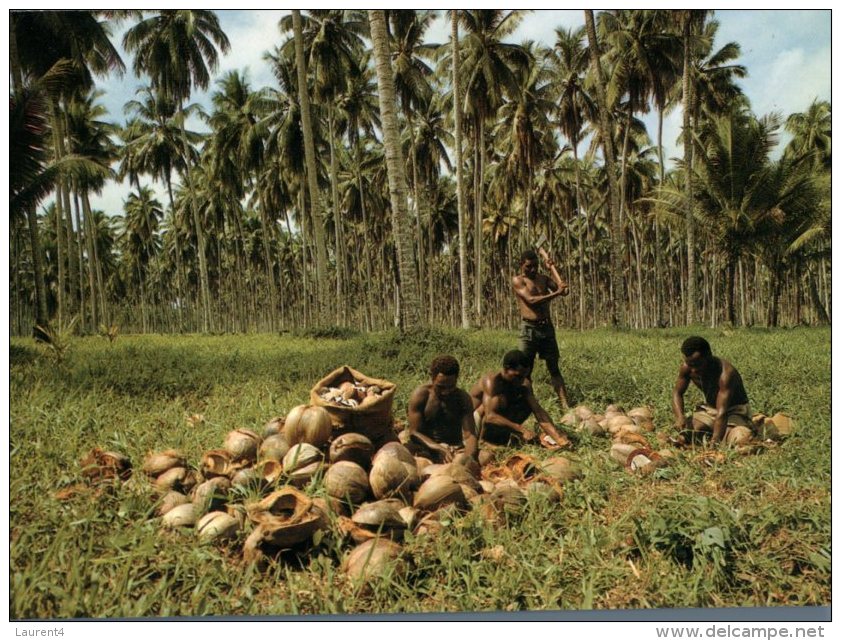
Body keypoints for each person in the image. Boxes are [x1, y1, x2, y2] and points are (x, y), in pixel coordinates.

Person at [470, 350, 570, 449]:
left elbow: (538, 412)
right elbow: (490, 416)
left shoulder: (524, 384)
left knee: (527, 404)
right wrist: (520, 429)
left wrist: (558, 437)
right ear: (505, 369)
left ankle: (501, 438)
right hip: (473, 422)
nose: (522, 380)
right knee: (492, 404)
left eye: (524, 376)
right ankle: (483, 441)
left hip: (496, 424)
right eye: (517, 376)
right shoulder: (492, 381)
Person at [512, 249, 571, 408]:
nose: (532, 270)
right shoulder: (518, 281)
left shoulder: (544, 279)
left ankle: (565, 405)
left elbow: (564, 291)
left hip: (546, 328)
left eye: (536, 266)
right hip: (529, 329)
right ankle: (527, 404)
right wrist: (556, 293)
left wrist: (552, 268)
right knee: (525, 369)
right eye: (529, 266)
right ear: (521, 265)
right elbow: (531, 300)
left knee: (554, 367)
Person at [671, 336, 753, 447]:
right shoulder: (687, 368)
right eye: (690, 364)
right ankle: (710, 431)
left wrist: (715, 441)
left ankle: (725, 432)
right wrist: (680, 417)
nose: (694, 370)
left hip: (735, 411)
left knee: (736, 438)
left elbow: (722, 412)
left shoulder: (726, 374)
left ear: (708, 355)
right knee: (690, 432)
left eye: (698, 364)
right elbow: (677, 393)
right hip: (711, 409)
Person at [403, 355, 478, 463]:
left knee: (485, 457)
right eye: (440, 387)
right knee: (406, 453)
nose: (446, 392)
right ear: (432, 378)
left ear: (457, 379)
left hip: (454, 449)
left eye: (451, 386)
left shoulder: (463, 398)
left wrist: (468, 457)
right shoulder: (421, 395)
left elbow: (470, 435)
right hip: (427, 448)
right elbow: (414, 432)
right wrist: (437, 447)